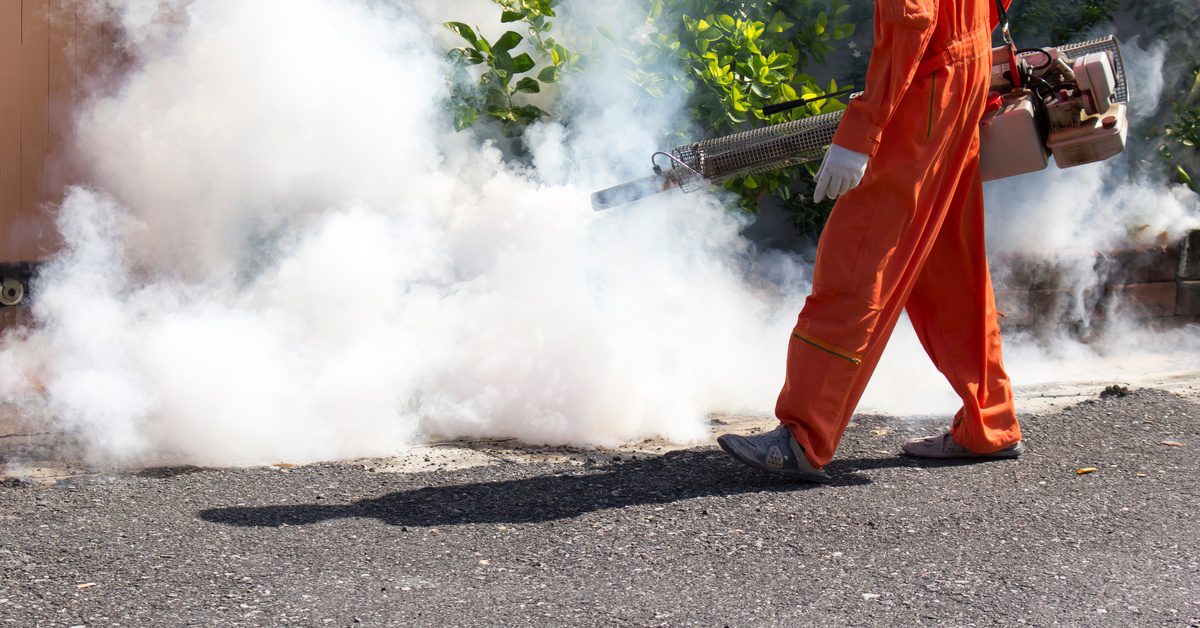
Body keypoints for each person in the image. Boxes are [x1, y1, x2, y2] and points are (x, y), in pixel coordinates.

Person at [719, 0, 1024, 482]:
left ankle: (803, 435)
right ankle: (991, 420)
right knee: (948, 265)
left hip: (925, 89)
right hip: (962, 71)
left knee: (859, 259)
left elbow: (911, 19)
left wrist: (862, 130)